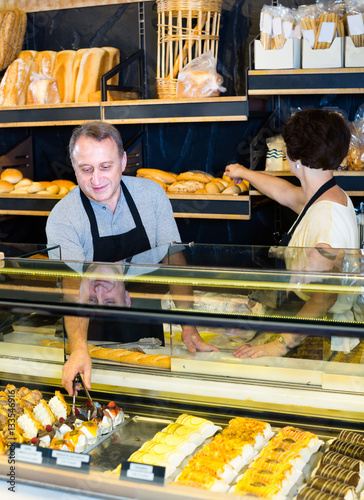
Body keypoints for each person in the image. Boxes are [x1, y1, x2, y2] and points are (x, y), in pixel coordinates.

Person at [46, 121, 217, 395]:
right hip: (87, 332)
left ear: (124, 161)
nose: (97, 180)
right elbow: (72, 287)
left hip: (146, 323)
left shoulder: (151, 196)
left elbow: (174, 259)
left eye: (106, 167)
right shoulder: (63, 217)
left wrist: (189, 325)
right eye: (86, 170)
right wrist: (79, 349)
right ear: (74, 167)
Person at [224, 108, 358, 359]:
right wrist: (243, 172)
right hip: (315, 328)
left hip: (322, 337)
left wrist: (280, 344)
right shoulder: (329, 194)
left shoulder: (326, 222)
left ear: (291, 156)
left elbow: (325, 298)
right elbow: (285, 193)